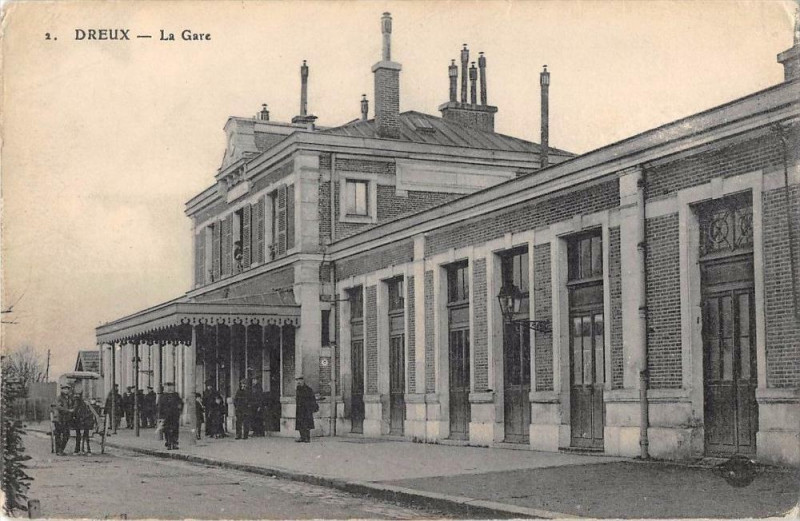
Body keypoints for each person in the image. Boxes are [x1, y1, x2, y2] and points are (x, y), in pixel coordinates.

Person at [157, 382, 183, 450]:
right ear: (165, 388)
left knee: (175, 429)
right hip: (166, 416)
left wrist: (179, 410)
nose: (169, 389)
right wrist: (160, 417)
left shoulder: (176, 395)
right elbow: (160, 407)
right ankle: (168, 443)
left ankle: (175, 443)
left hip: (174, 416)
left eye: (171, 387)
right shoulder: (162, 396)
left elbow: (180, 404)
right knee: (166, 430)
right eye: (168, 387)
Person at [294, 376, 318, 443]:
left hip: (306, 409)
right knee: (300, 424)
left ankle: (307, 438)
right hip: (299, 409)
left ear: (303, 381)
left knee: (307, 424)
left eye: (300, 380)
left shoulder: (308, 389)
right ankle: (302, 437)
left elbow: (312, 399)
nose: (298, 382)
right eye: (297, 381)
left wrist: (312, 407)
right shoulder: (298, 389)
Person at [53, 385, 74, 455]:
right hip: (59, 418)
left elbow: (72, 406)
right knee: (58, 435)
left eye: (67, 389)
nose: (66, 390)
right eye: (64, 389)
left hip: (66, 419)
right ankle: (58, 451)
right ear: (61, 390)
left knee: (67, 435)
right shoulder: (59, 398)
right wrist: (68, 410)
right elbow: (58, 407)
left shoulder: (69, 398)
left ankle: (61, 449)